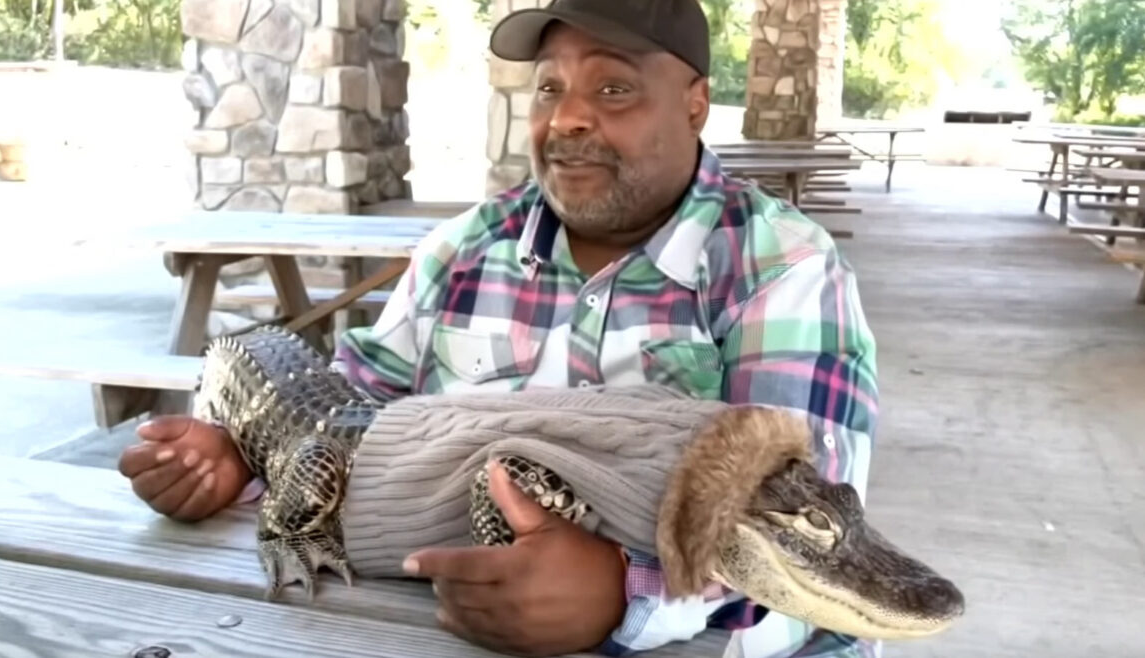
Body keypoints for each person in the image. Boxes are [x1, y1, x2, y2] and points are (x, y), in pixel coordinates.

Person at [118, 1, 880, 656]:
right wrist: (245, 459)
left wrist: (625, 594)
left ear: (693, 103)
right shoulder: (461, 250)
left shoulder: (783, 268)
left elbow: (815, 540)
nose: (568, 117)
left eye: (613, 87)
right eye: (549, 88)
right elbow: (347, 419)